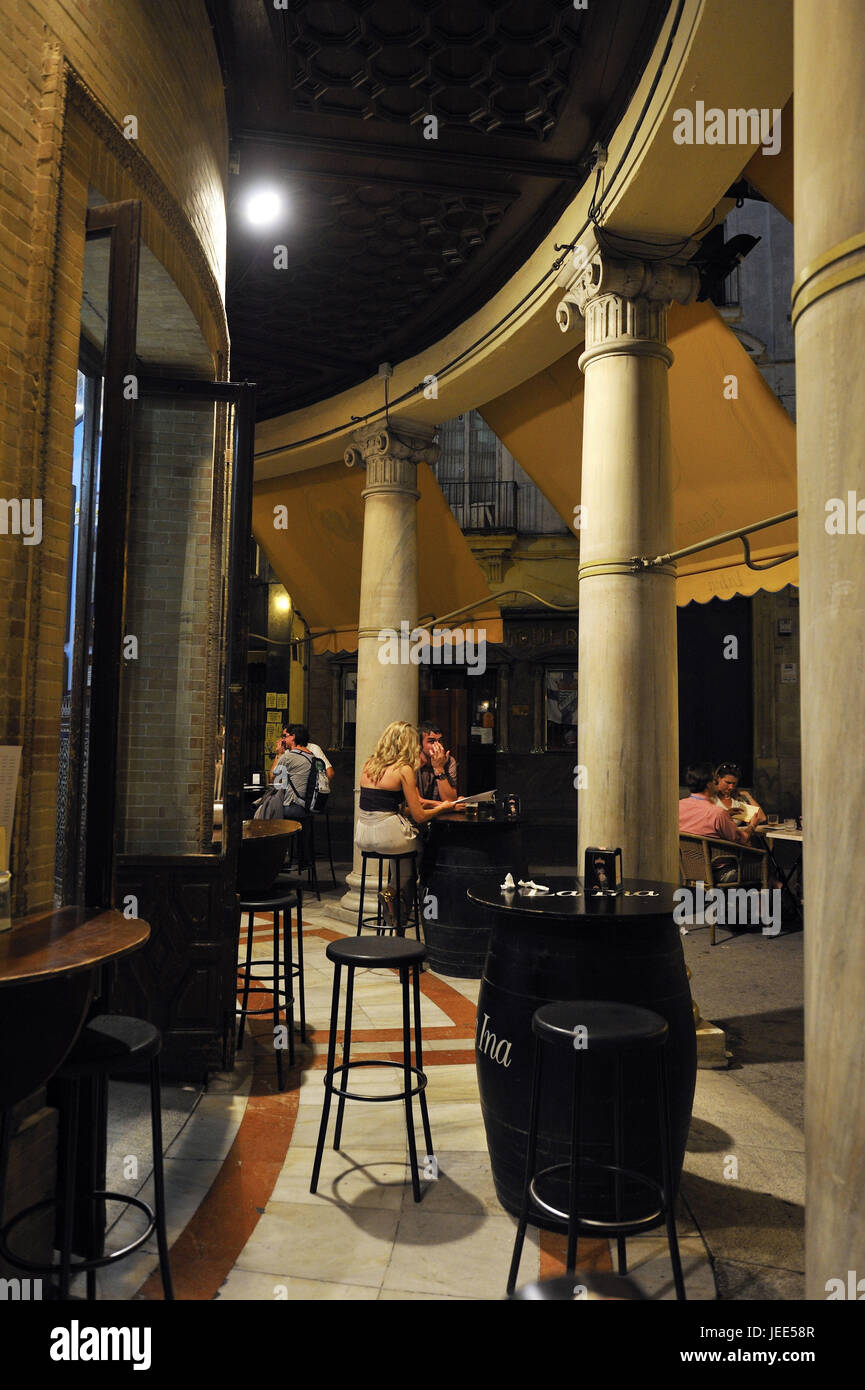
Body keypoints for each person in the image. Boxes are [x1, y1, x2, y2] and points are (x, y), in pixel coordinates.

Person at [357, 721, 460, 924]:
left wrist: (439, 802)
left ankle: (396, 914)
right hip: (388, 834)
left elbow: (393, 803)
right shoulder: (403, 768)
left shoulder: (370, 763)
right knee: (420, 849)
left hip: (362, 834)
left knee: (403, 853)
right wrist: (444, 807)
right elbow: (419, 815)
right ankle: (392, 894)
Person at [678, 762, 753, 883]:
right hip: (721, 871)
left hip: (690, 869)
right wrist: (752, 825)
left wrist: (726, 814)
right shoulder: (717, 813)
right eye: (715, 782)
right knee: (762, 864)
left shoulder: (678, 806)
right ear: (709, 785)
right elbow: (742, 839)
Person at [271, 723, 317, 820]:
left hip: (293, 807)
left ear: (293, 737)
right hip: (307, 806)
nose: (283, 740)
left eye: (285, 736)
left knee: (269, 811)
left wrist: (279, 754)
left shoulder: (289, 757)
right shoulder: (312, 756)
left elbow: (273, 780)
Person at [711, 761, 766, 827]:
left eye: (734, 783)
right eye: (728, 783)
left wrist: (748, 796)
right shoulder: (710, 797)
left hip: (735, 835)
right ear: (718, 779)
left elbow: (761, 817)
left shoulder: (737, 800)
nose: (731, 787)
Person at [417, 720, 458, 801]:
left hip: (442, 813)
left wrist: (439, 768)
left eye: (440, 741)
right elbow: (415, 803)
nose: (438, 745)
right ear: (420, 744)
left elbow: (450, 800)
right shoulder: (412, 761)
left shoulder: (449, 761)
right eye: (431, 741)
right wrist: (446, 806)